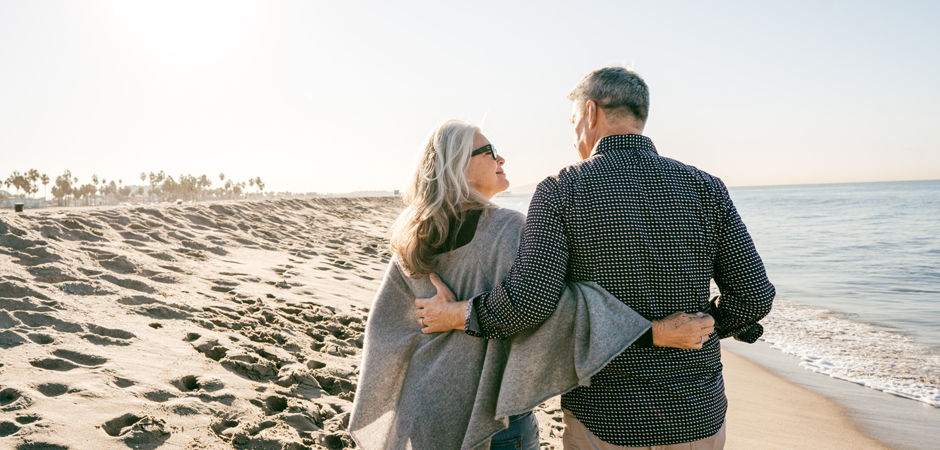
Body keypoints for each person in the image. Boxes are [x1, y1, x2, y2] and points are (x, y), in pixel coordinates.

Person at [417, 67, 775, 450]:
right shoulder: (706, 187)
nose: (574, 137)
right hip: (695, 412)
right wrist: (705, 326)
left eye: (573, 122)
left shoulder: (561, 190)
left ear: (590, 113)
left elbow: (531, 302)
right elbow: (754, 296)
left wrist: (459, 314)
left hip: (606, 415)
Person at [349, 120, 712, 450]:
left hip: (424, 407)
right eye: (488, 151)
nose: (500, 158)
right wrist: (651, 332)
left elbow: (385, 329)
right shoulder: (509, 229)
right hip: (490, 414)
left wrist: (444, 319)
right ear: (458, 165)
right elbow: (553, 309)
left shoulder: (412, 236)